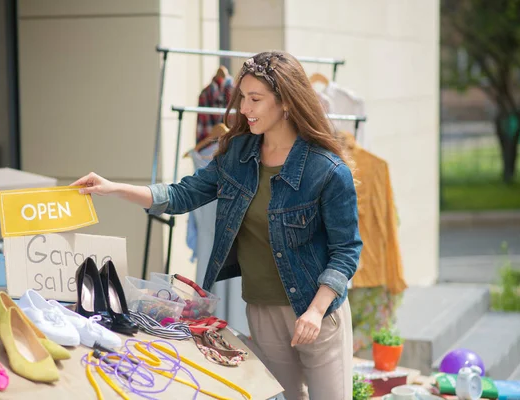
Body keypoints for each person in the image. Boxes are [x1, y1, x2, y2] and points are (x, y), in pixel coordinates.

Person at [72, 51, 362, 399]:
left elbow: (346, 251)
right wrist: (114, 187)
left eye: (255, 99)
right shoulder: (238, 155)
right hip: (261, 310)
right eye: (242, 98)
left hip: (318, 312)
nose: (244, 108)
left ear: (286, 102)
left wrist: (315, 312)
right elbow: (182, 195)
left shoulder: (327, 171)